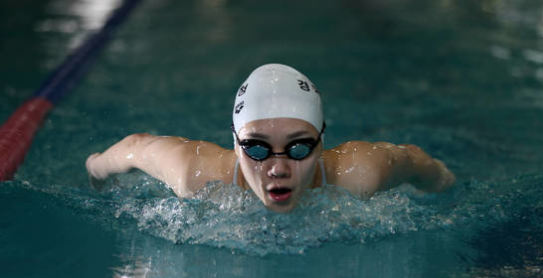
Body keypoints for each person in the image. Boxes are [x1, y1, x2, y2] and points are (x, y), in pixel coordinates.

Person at [86, 64, 455, 213]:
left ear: (322, 141)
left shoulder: (361, 172)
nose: (277, 168)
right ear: (234, 143)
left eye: (298, 148)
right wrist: (95, 171)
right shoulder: (196, 175)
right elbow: (135, 147)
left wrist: (445, 184)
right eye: (257, 148)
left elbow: (416, 161)